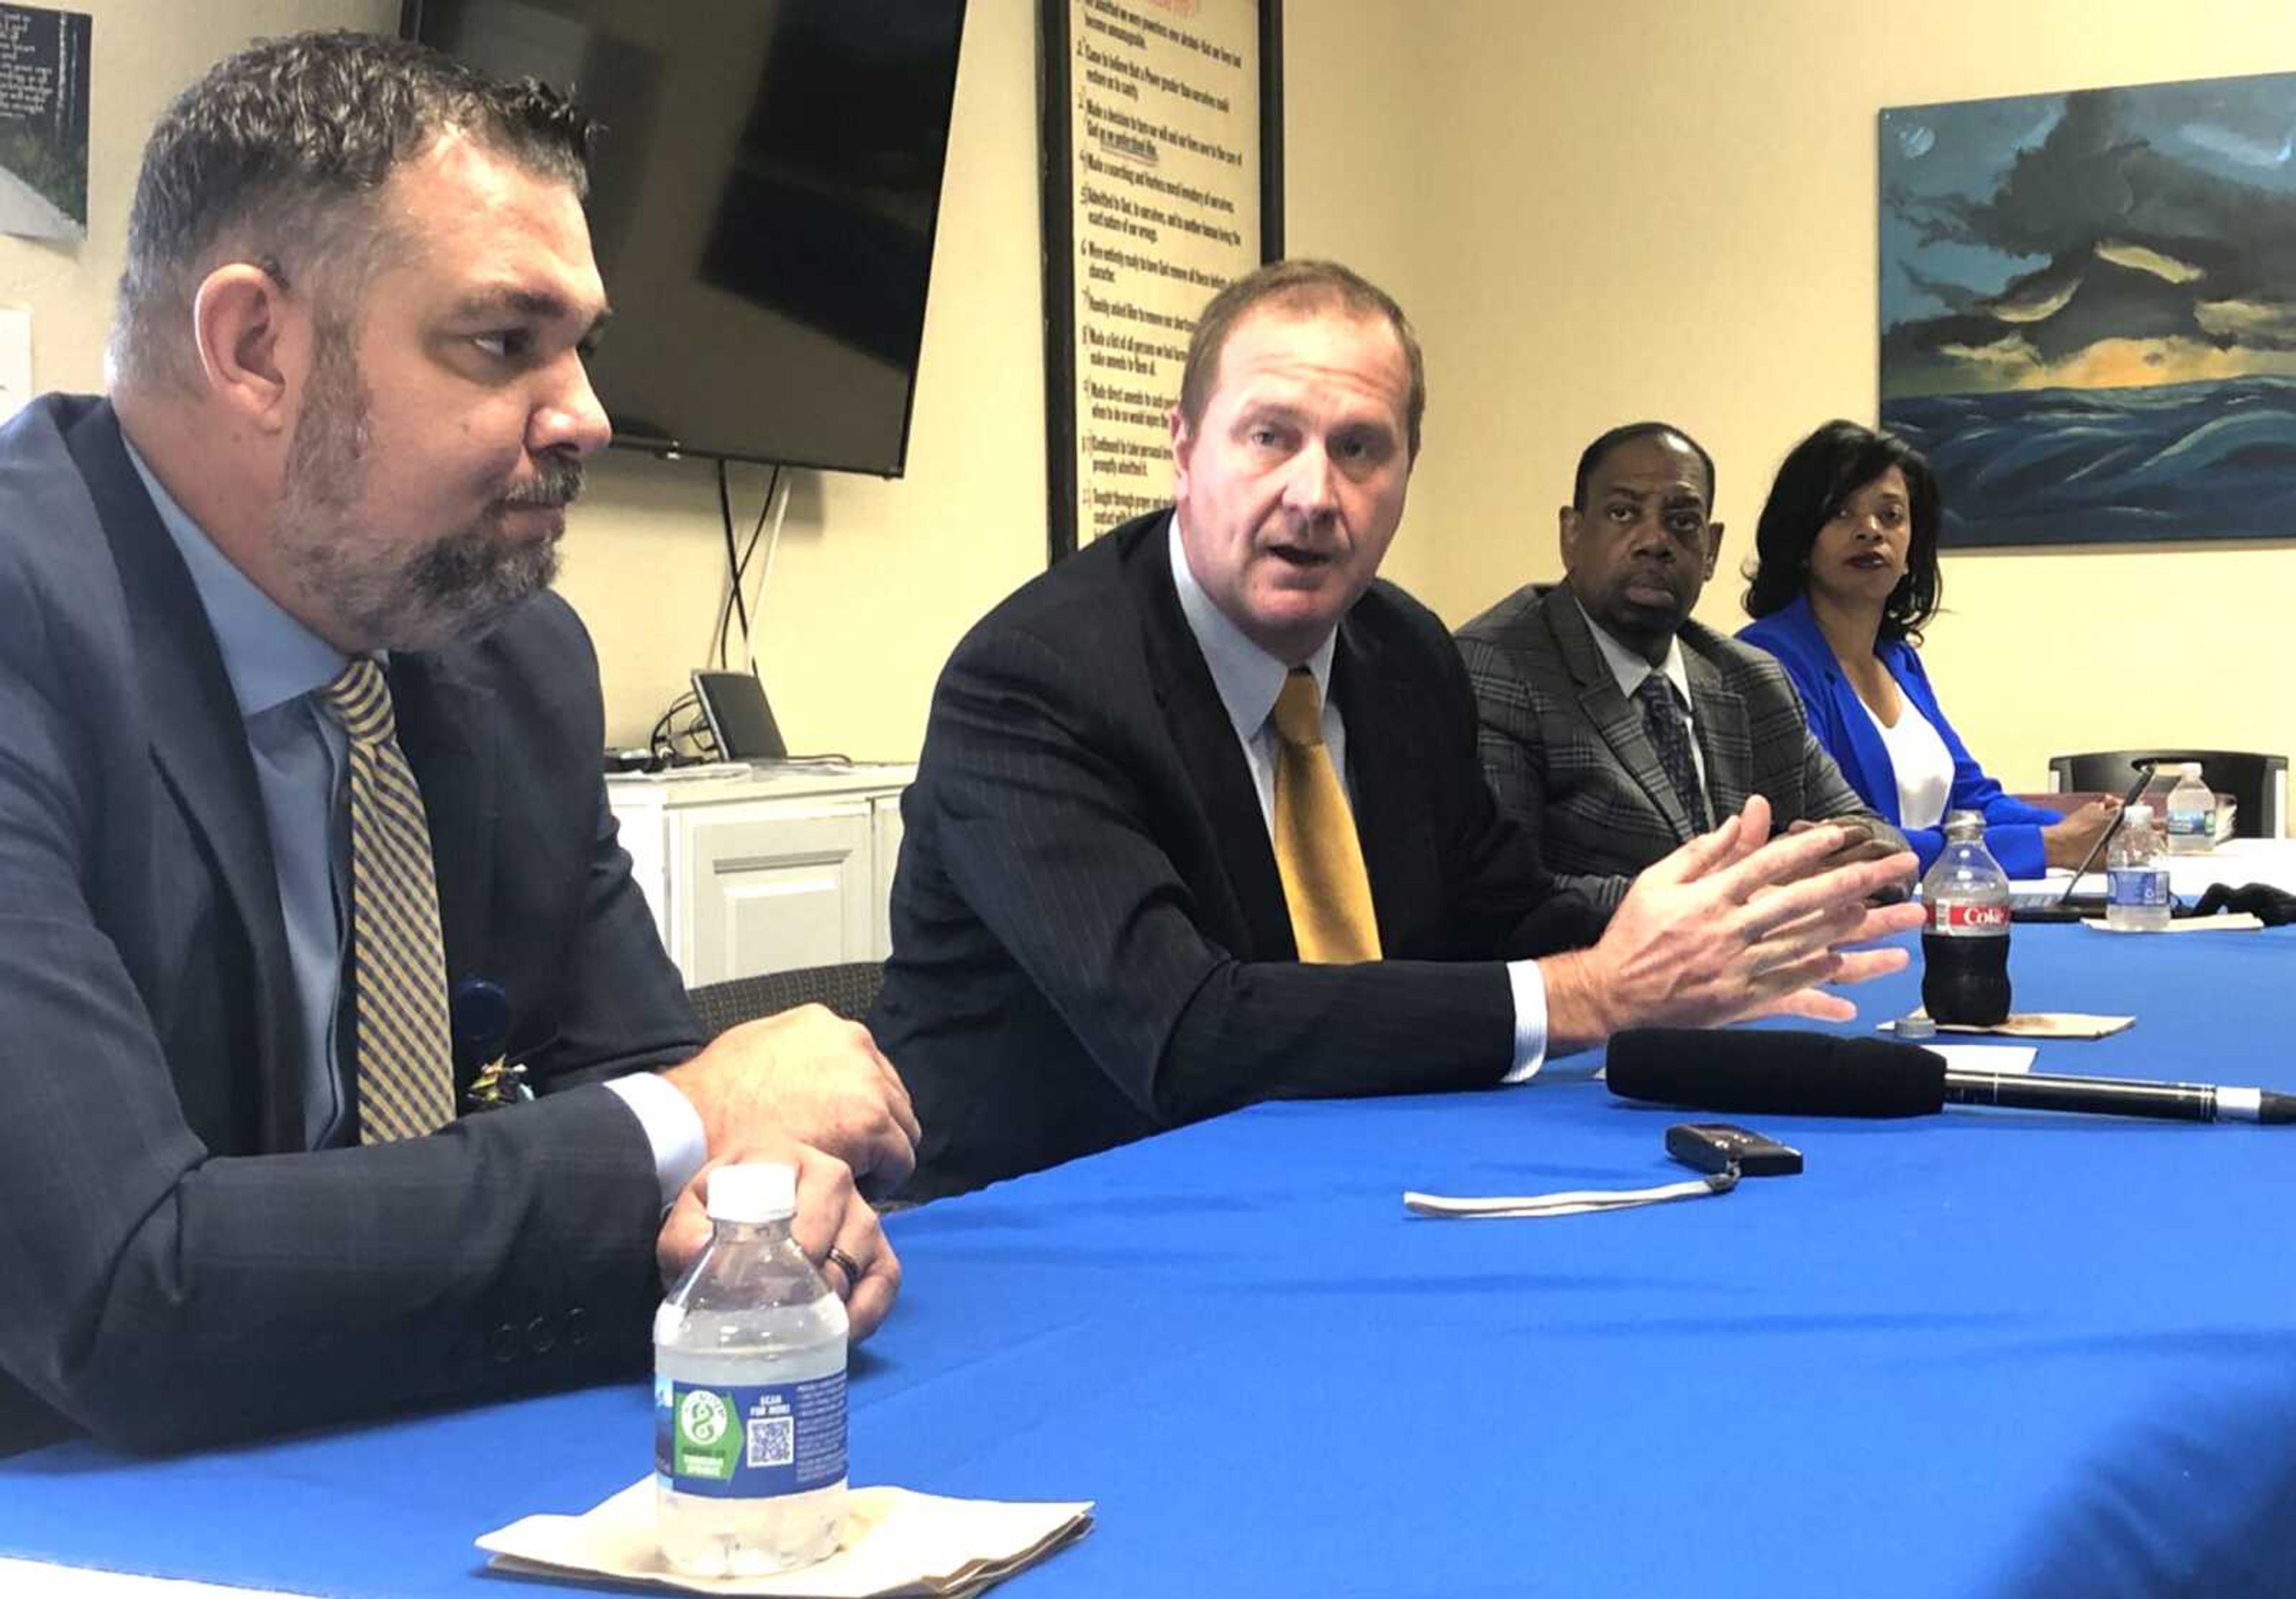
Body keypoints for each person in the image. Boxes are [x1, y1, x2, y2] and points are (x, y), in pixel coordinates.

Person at [0, 32, 915, 1456]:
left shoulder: (508, 660)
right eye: (502, 344)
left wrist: (764, 1207)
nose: (589, 418)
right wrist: (680, 1125)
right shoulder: (21, 627)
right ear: (255, 347)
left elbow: (662, 1109)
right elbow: (128, 1287)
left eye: (583, 350)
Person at [871, 260, 1922, 1201]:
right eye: (1269, 435)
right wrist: (1592, 990)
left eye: (1361, 448)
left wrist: (1695, 945)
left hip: (1341, 1175)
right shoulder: (1038, 679)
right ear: (1185, 449)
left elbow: (1494, 915)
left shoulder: (1405, 650)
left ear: (1407, 474)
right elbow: (1186, 1033)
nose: (1314, 493)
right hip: (1049, 1224)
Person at [1457, 422, 1902, 910]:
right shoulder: (1496, 669)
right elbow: (1504, 898)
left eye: (1682, 521)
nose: (1655, 540)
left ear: (1710, 550)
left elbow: (1879, 839)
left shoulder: (1752, 678)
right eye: (1623, 513)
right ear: (1572, 534)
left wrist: (1830, 857)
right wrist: (1747, 890)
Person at [1737, 420, 2118, 877]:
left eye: (1891, 515)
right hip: (1851, 926)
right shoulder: (1767, 659)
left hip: (1932, 911)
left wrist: (2090, 829)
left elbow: (1972, 799)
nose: (1870, 531)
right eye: (1841, 513)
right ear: (1800, 537)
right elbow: (1839, 843)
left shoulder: (1898, 659)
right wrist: (2049, 846)